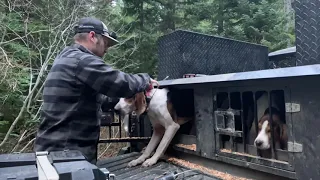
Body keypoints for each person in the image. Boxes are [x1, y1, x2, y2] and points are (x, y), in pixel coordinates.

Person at [33, 17, 157, 164]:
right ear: (92, 36)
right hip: (66, 154)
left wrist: (122, 102)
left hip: (56, 150)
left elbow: (96, 98)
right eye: (106, 43)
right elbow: (119, 83)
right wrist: (145, 80)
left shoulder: (67, 57)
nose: (107, 48)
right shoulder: (81, 60)